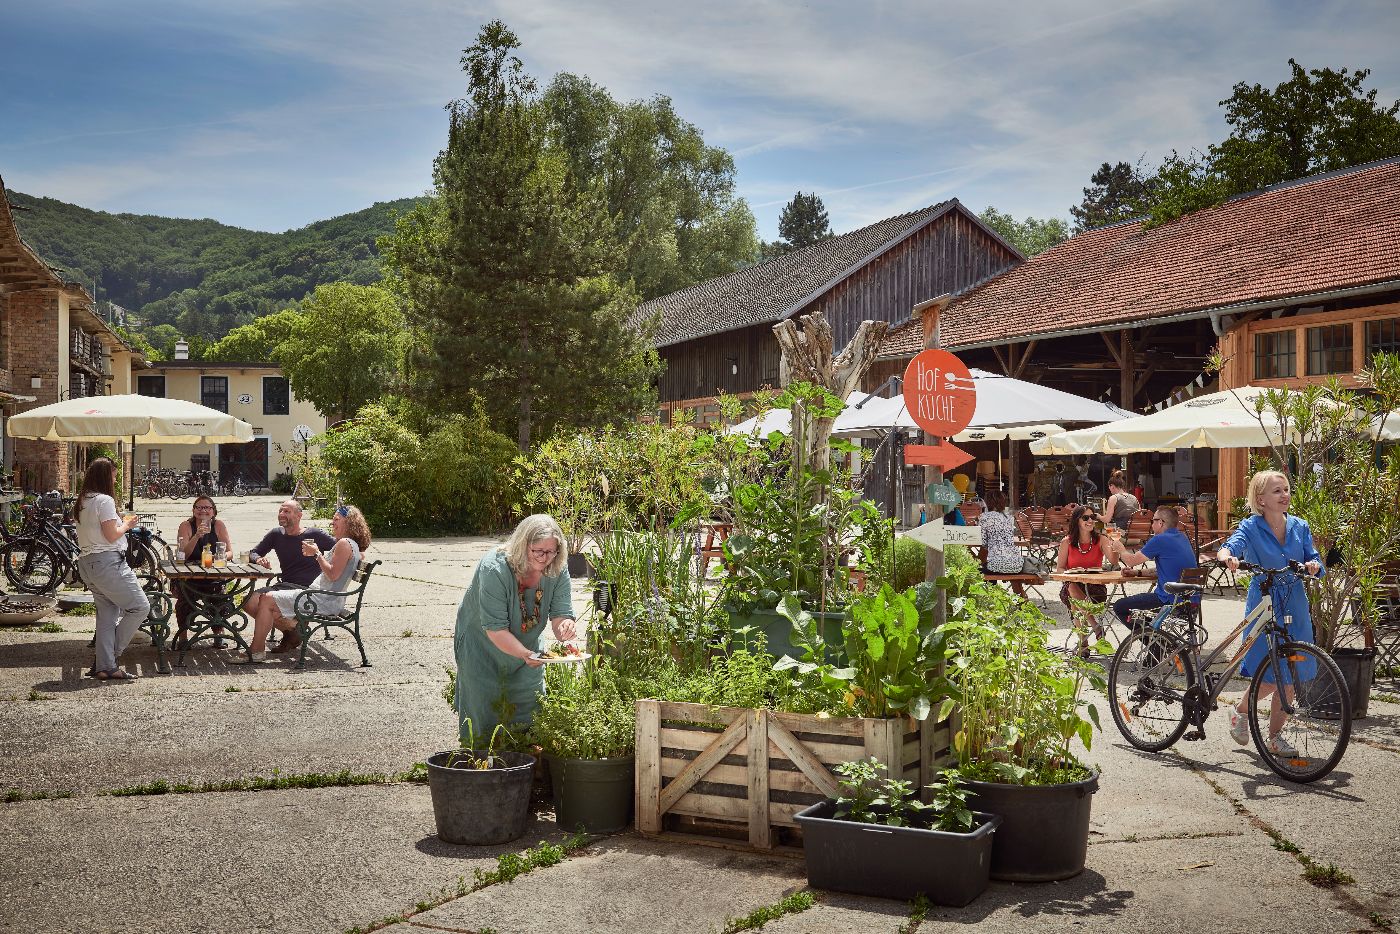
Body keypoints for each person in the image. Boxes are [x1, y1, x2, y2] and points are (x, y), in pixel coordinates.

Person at [1216, 470, 1322, 758]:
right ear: (1261, 499)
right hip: (1264, 600)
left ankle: (1275, 738)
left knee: (1291, 678)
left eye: (1286, 489)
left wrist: (1313, 565)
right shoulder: (1251, 526)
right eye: (1277, 491)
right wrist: (1228, 558)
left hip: (1295, 603)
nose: (1284, 495)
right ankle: (1240, 711)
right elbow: (1229, 546)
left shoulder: (1300, 525)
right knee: (1269, 677)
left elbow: (1313, 557)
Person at [453, 514, 578, 741]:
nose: (544, 558)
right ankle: (482, 768)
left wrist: (566, 628)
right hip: (481, 646)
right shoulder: (495, 568)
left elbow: (560, 615)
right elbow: (495, 630)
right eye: (538, 551)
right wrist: (525, 654)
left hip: (528, 649)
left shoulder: (556, 568)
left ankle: (524, 768)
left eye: (551, 551)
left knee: (529, 710)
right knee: (482, 713)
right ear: (523, 545)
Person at [245, 504, 371, 662]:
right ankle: (272, 642)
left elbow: (332, 574)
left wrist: (317, 554)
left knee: (266, 599)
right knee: (266, 600)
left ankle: (256, 651)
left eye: (337, 520)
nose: (333, 523)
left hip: (324, 599)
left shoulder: (344, 543)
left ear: (349, 522)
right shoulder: (348, 543)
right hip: (324, 596)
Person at [74, 457, 150, 681]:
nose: (116, 480)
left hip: (88, 563)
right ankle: (107, 660)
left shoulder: (82, 501)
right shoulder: (104, 500)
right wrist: (127, 525)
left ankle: (105, 666)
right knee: (139, 607)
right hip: (107, 563)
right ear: (105, 476)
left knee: (107, 616)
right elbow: (111, 535)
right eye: (114, 475)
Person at [242, 499, 336, 623]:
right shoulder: (276, 534)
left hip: (309, 590)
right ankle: (291, 630)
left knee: (265, 603)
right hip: (285, 586)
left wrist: (321, 557)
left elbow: (341, 547)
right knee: (248, 601)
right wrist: (259, 559)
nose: (281, 514)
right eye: (280, 510)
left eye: (287, 511)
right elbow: (253, 553)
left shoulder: (314, 534)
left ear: (299, 516)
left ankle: (292, 633)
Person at [1056, 504, 1128, 656]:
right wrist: (1071, 573)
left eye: (1093, 517)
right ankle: (1095, 625)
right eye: (1085, 517)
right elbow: (1060, 569)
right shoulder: (1066, 542)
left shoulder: (1101, 540)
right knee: (1071, 588)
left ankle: (1083, 645)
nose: (1090, 520)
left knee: (1074, 603)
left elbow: (1114, 561)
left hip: (1095, 588)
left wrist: (1114, 543)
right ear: (1077, 521)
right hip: (1073, 584)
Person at [1111, 506, 1198, 628]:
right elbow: (1167, 570)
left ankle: (1155, 645)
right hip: (1191, 603)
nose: (1151, 524)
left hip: (1170, 601)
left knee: (1120, 606)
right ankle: (1159, 639)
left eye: (1153, 520)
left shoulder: (1160, 539)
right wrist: (1137, 573)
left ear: (1161, 523)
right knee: (1141, 612)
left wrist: (1120, 549)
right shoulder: (1182, 538)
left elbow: (1130, 561)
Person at [172, 495, 233, 650]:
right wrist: (197, 536)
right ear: (193, 511)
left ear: (213, 512)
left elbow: (230, 552)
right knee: (184, 602)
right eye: (199, 507)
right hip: (189, 576)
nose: (203, 511)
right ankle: (183, 637)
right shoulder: (186, 526)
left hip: (213, 575)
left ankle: (218, 634)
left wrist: (220, 557)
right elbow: (183, 555)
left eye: (207, 507)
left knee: (221, 598)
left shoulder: (219, 525)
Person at [978, 489, 1030, 596]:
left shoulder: (985, 517)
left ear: (988, 502)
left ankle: (989, 599)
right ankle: (1021, 601)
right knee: (994, 566)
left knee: (979, 569)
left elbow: (983, 543)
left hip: (997, 565)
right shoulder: (1008, 518)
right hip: (1016, 564)